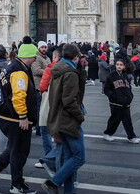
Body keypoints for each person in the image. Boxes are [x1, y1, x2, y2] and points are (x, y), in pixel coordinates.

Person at [0, 41, 38, 194]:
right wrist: (23, 116)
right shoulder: (19, 71)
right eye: (34, 56)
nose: (35, 59)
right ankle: (16, 184)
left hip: (6, 115)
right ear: (28, 56)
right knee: (20, 151)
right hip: (15, 117)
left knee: (14, 147)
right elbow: (19, 96)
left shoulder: (11, 65)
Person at [41, 43, 87, 194]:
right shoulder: (70, 74)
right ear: (75, 57)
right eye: (79, 56)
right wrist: (80, 116)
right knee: (79, 157)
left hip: (58, 118)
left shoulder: (58, 70)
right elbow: (69, 101)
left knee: (69, 158)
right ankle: (53, 182)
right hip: (68, 120)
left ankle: (69, 191)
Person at [102, 58, 139, 143]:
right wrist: (114, 96)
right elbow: (106, 89)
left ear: (124, 66)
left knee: (127, 121)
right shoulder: (111, 75)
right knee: (115, 120)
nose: (119, 66)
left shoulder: (125, 76)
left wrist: (130, 96)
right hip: (115, 103)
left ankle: (131, 136)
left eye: (121, 65)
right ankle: (108, 133)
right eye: (117, 64)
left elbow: (128, 88)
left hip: (126, 103)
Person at [31, 41, 52, 166]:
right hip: (39, 87)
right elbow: (36, 70)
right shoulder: (37, 58)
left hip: (46, 87)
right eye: (42, 47)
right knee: (40, 109)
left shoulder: (47, 57)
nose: (44, 49)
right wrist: (49, 70)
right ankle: (39, 127)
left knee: (43, 110)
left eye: (45, 47)